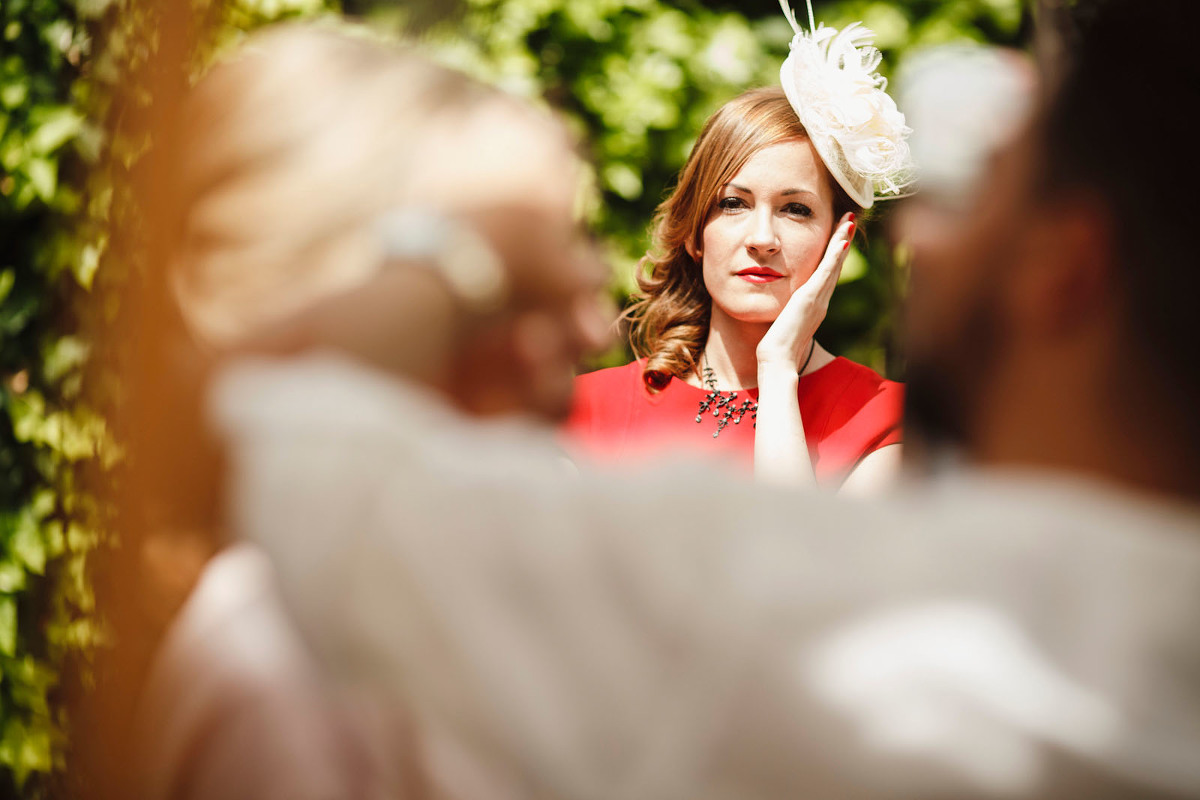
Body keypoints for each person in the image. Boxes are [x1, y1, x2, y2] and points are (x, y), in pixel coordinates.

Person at [220, 0, 1200, 797]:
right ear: (694, 226)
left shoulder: (900, 495)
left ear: (1069, 263)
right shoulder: (1118, 642)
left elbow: (321, 476)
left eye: (985, 196)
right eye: (733, 201)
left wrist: (449, 252)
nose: (929, 241)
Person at [92, 22, 608, 800]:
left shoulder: (461, 592)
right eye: (507, 289)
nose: (590, 330)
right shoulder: (291, 668)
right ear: (332, 308)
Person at [564, 6, 911, 492]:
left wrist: (777, 371)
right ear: (693, 231)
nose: (762, 238)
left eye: (795, 209)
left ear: (840, 237)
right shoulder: (583, 411)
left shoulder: (885, 421)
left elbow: (794, 562)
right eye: (732, 204)